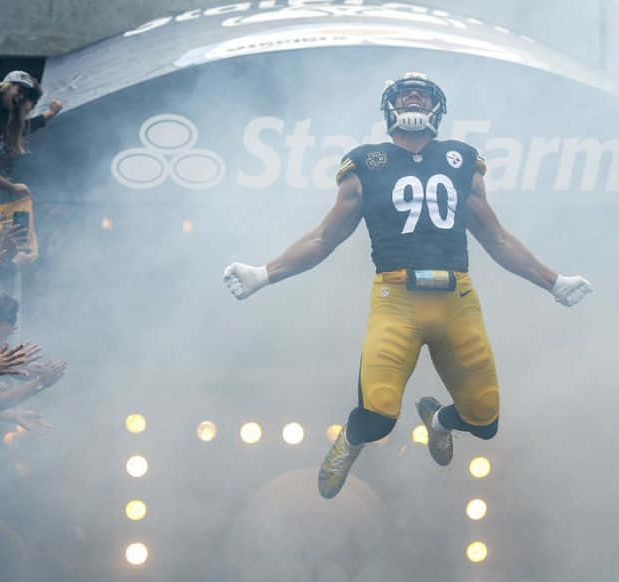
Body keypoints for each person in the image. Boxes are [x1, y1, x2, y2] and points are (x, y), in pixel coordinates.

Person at [224, 73, 593, 499]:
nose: (413, 98)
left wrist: (553, 282)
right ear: (390, 108)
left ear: (438, 108)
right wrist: (264, 273)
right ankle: (353, 439)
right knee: (379, 412)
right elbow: (323, 238)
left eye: (422, 94)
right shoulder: (366, 163)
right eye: (404, 94)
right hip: (396, 299)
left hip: (457, 299)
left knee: (484, 419)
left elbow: (497, 238)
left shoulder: (460, 159)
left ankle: (438, 423)